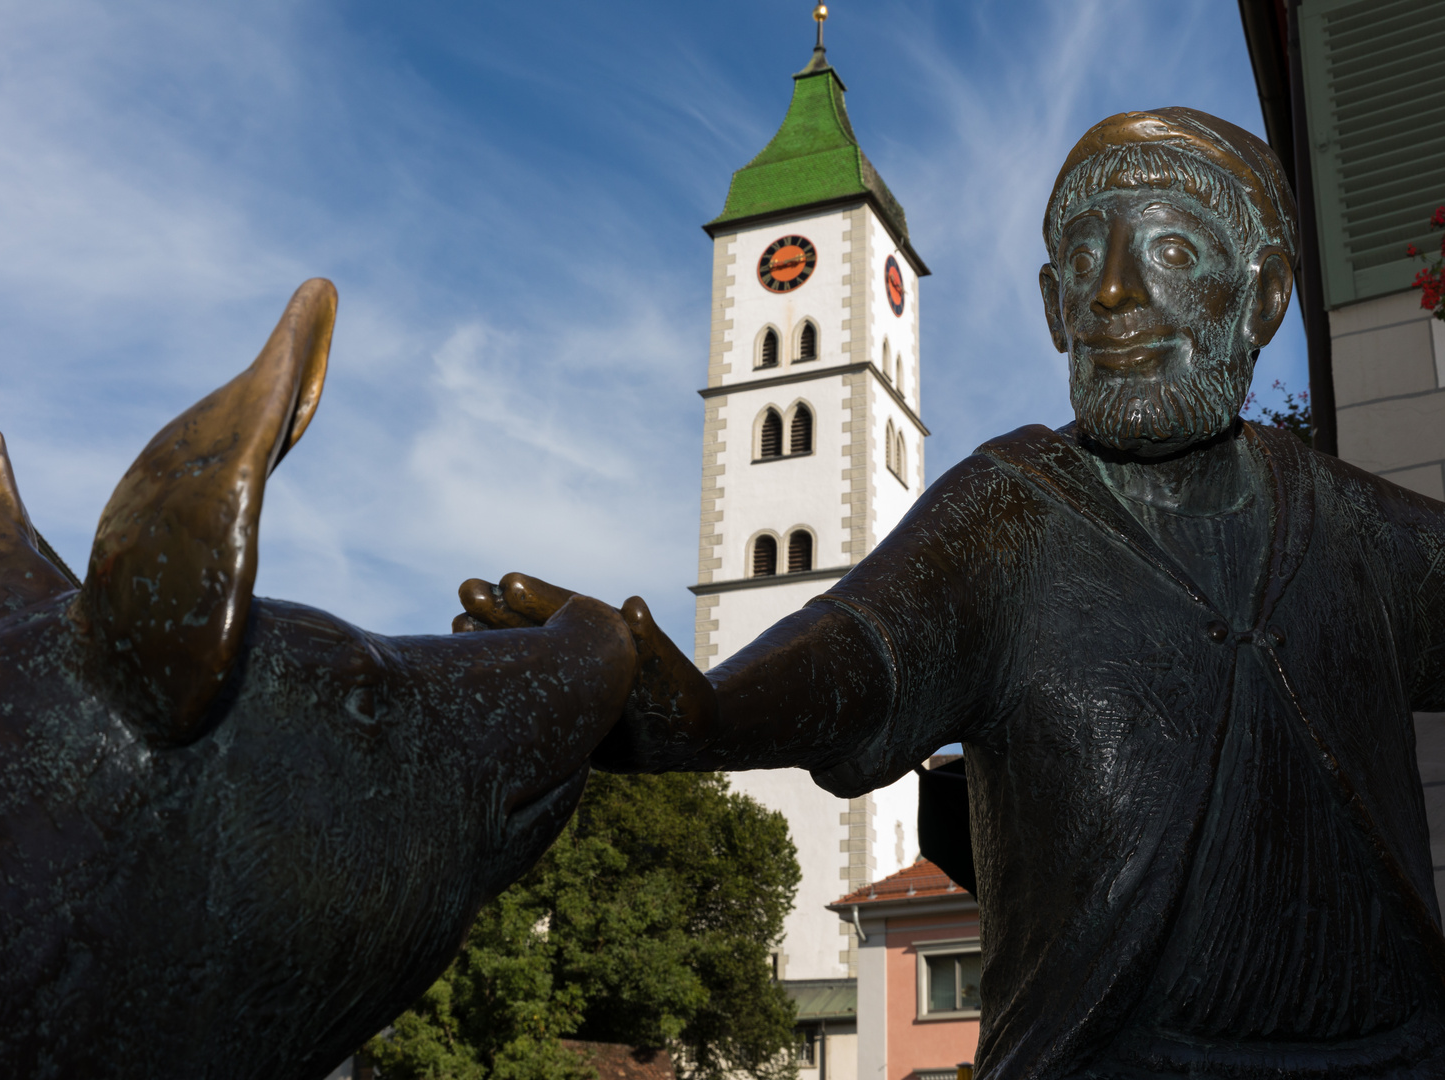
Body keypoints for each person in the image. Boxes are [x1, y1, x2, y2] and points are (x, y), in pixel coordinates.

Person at [457, 109, 1445, 1079]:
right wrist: (705, 716)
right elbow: (868, 650)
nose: (1114, 292)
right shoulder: (1013, 510)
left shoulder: (1357, 527)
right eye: (1084, 267)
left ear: (1263, 295)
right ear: (1053, 306)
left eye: (1172, 255)